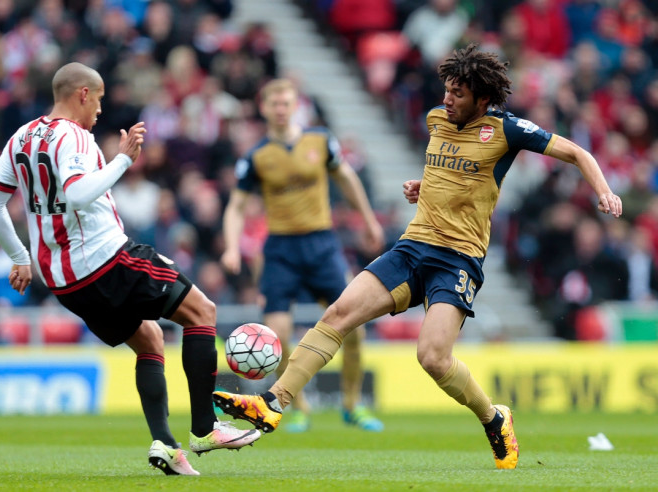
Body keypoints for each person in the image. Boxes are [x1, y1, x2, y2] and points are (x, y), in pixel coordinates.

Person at [213, 45, 623, 469]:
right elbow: (447, 173)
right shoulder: (435, 120)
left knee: (432, 357)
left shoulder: (506, 130)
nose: (447, 100)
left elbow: (577, 152)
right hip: (412, 247)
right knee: (337, 314)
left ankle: (493, 417)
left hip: (457, 259)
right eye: (446, 90)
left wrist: (604, 191)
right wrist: (420, 187)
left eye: (458, 94)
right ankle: (273, 402)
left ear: (482, 99)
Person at [0, 62, 260, 476]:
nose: (100, 110)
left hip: (65, 281)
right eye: (100, 99)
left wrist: (20, 257)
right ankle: (205, 428)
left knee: (150, 342)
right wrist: (123, 161)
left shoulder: (21, 136)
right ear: (82, 95)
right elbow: (77, 194)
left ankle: (165, 444)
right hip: (106, 258)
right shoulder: (74, 136)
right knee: (203, 312)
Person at [220, 78, 385, 432]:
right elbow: (236, 206)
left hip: (323, 245)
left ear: (295, 106)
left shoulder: (320, 141)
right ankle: (299, 406)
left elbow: (346, 179)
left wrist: (369, 220)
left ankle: (352, 405)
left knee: (353, 327)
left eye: (286, 103)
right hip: (281, 250)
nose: (280, 109)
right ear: (263, 109)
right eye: (274, 104)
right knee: (276, 333)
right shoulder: (256, 157)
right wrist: (232, 246)